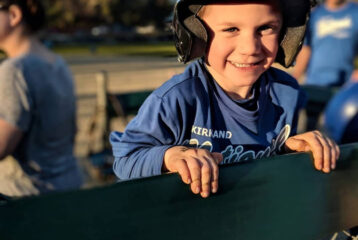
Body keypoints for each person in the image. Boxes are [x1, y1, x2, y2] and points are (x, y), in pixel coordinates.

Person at [110, 0, 340, 198]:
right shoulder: (177, 99)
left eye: (266, 28)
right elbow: (125, 161)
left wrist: (288, 149)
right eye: (231, 29)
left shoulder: (284, 92)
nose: (250, 48)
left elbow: (265, 160)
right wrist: (168, 157)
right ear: (197, 34)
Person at [0, 0, 82, 196]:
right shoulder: (57, 64)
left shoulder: (15, 70)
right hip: (66, 189)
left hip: (25, 199)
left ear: (14, 15)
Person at [292, 0, 358, 86]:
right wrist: (295, 77)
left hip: (347, 84)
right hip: (315, 83)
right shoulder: (314, 15)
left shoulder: (355, 12)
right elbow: (306, 49)